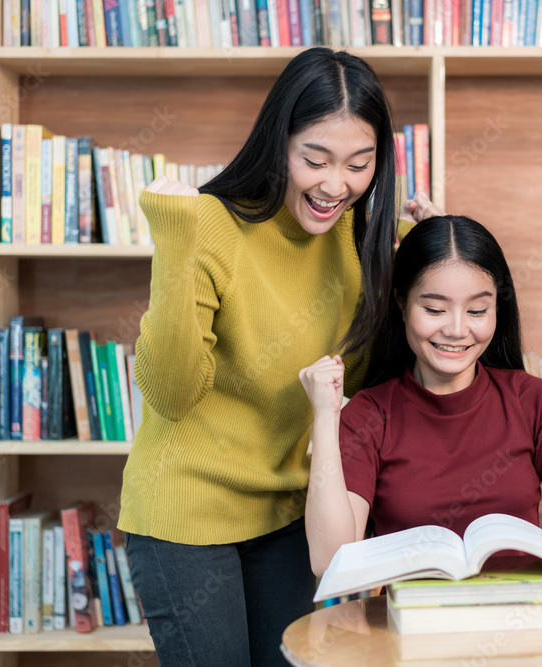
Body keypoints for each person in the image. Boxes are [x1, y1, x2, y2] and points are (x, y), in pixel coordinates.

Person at [117, 47, 440, 667]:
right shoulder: (209, 224)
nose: (334, 185)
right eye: (314, 159)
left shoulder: (364, 241)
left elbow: (389, 391)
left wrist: (429, 260)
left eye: (358, 165)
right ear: (278, 144)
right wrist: (174, 242)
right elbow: (172, 392)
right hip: (187, 513)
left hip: (290, 516)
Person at [299, 215, 542, 577]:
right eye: (434, 309)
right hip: (411, 625)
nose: (455, 330)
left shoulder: (532, 400)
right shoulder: (370, 415)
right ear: (402, 304)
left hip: (523, 620)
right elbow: (330, 562)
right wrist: (326, 418)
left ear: (498, 308)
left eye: (477, 310)